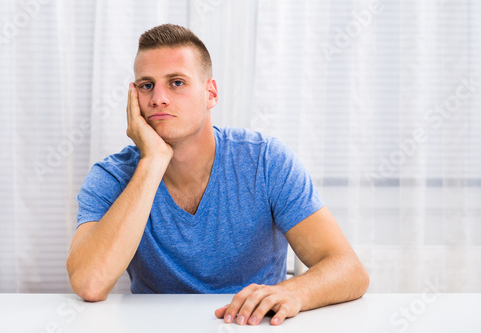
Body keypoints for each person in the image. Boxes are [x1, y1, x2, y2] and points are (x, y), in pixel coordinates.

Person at [66, 23, 369, 326]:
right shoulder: (111, 176)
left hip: (252, 325)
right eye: (146, 86)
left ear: (210, 93)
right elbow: (90, 283)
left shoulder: (266, 161)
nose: (158, 98)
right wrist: (153, 160)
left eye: (176, 83)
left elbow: (349, 269)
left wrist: (294, 293)